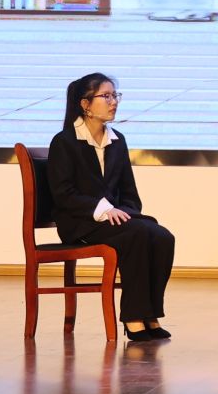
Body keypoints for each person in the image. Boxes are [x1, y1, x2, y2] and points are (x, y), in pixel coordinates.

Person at [46, 73, 176, 342]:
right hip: (80, 221)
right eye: (106, 96)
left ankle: (151, 314)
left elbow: (130, 194)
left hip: (113, 221)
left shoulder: (118, 141)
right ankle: (133, 318)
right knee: (136, 235)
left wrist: (126, 212)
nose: (113, 101)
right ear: (85, 104)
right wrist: (104, 210)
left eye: (115, 95)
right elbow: (63, 194)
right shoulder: (64, 142)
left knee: (162, 236)